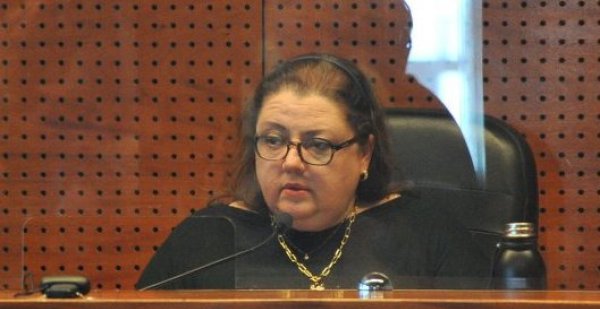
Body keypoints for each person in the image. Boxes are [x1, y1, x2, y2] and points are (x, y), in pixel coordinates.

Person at [136, 53, 490, 291]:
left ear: (364, 154)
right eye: (273, 140)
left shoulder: (426, 236)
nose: (291, 162)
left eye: (318, 145)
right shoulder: (208, 241)